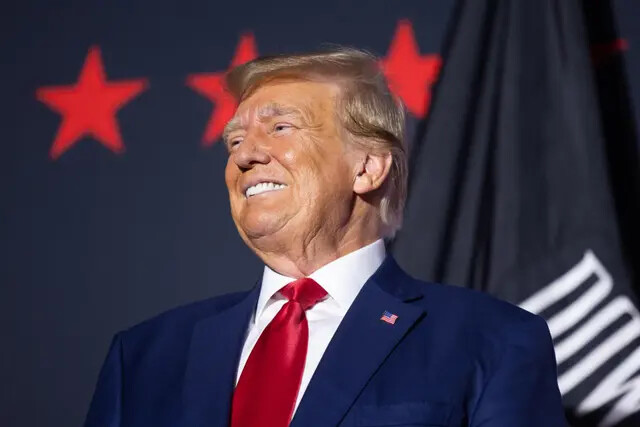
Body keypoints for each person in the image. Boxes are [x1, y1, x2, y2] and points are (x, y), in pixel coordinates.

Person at [85, 48, 566, 427]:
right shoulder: (146, 355)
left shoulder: (492, 341)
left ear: (367, 166)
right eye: (234, 140)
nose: (245, 154)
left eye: (280, 127)